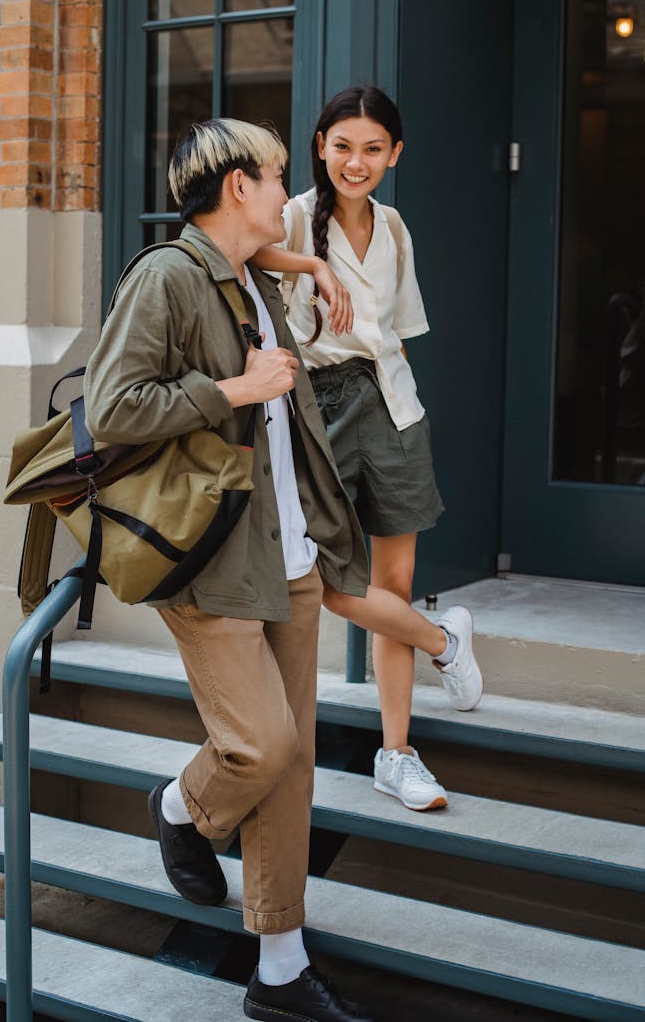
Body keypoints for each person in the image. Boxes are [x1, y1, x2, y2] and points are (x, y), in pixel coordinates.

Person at [83, 117, 476, 1020]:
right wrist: (233, 389)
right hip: (212, 563)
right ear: (237, 189)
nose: (284, 190)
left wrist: (311, 269)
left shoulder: (252, 277)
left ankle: (280, 968)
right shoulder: (167, 277)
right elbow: (112, 408)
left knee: (292, 770)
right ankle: (182, 806)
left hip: (290, 559)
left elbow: (283, 281)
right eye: (271, 175)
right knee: (262, 747)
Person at [253, 86, 483, 813]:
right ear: (320, 144)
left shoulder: (393, 225)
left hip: (390, 402)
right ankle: (442, 640)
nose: (357, 161)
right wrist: (311, 267)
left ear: (395, 154)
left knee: (393, 579)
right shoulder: (290, 213)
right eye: (343, 145)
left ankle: (397, 752)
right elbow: (238, 248)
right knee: (329, 582)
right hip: (315, 409)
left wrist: (404, 413)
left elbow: (399, 333)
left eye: (373, 148)